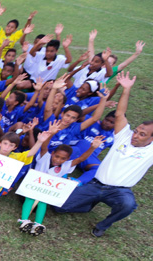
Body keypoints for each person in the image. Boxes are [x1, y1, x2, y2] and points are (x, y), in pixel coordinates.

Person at [54, 72, 153, 237]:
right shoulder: (124, 135)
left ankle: (103, 225)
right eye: (136, 131)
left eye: (142, 134)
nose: (135, 135)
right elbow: (119, 114)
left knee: (128, 205)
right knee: (59, 207)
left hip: (119, 191)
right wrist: (126, 89)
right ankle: (89, 203)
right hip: (96, 184)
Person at [19, 135, 104, 236]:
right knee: (30, 197)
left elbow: (81, 159)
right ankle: (24, 221)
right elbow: (44, 147)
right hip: (30, 189)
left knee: (43, 201)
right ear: (52, 153)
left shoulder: (66, 165)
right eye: (57, 156)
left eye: (63, 159)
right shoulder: (44, 157)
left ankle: (38, 224)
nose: (58, 160)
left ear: (68, 159)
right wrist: (50, 134)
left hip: (45, 193)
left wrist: (92, 148)